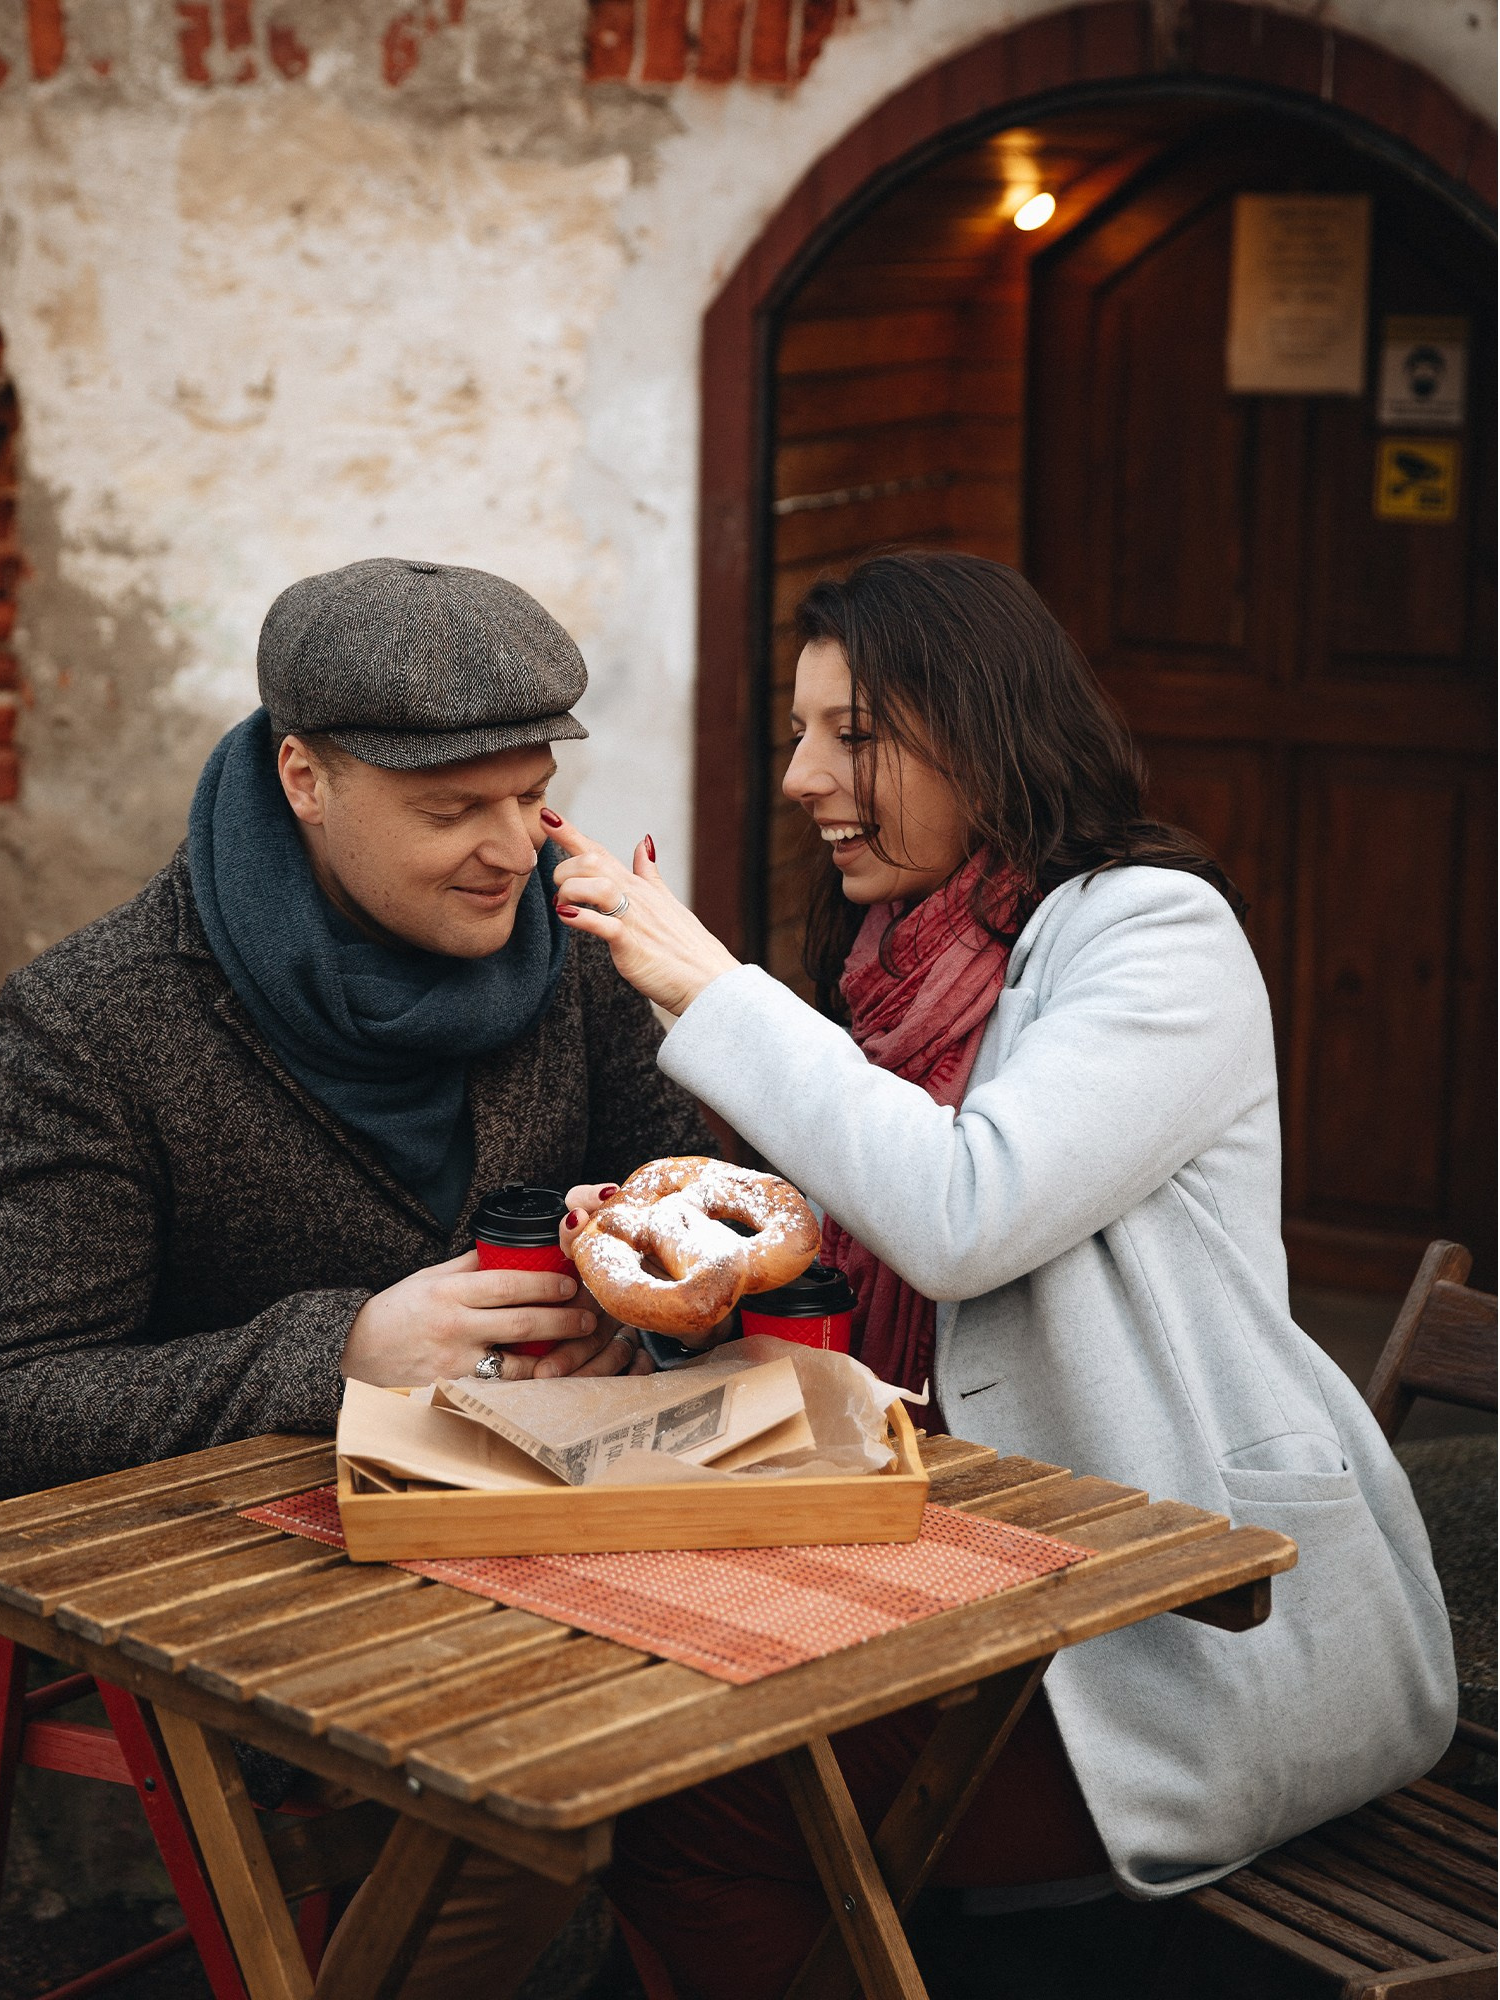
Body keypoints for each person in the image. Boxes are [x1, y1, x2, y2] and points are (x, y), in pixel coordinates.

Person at [543, 550, 1458, 1998]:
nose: (799, 777)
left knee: (689, 1807)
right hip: (938, 1561)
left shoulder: (1155, 935)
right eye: (797, 732)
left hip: (1164, 1623)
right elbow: (868, 1263)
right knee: (600, 1696)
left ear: (980, 733)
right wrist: (698, 1265)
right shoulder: (886, 963)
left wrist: (705, 987)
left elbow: (966, 1208)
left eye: (852, 735)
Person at [0, 555, 711, 1999]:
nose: (511, 848)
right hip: (267, 1577)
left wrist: (627, 1315)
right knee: (557, 1783)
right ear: (303, 775)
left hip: (569, 1535)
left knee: (812, 1707)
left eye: (527, 792)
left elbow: (674, 1207)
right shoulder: (97, 1018)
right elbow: (7, 1411)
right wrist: (344, 1351)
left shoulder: (574, 950)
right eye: (448, 811)